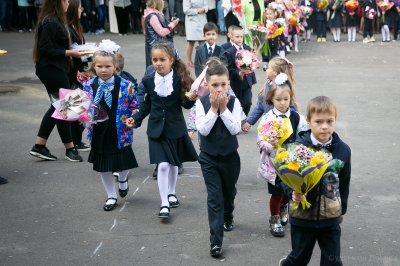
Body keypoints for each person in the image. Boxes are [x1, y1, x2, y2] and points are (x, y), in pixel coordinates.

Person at [126, 42, 198, 218]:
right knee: (163, 165)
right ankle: (164, 202)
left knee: (174, 164)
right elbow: (147, 105)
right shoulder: (148, 81)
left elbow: (185, 104)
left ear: (171, 60)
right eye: (154, 60)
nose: (158, 63)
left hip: (175, 127)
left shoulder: (179, 79)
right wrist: (135, 118)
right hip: (156, 130)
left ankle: (172, 192)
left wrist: (192, 98)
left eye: (162, 60)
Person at [278, 96, 351, 266]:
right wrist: (292, 193)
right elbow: (283, 179)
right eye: (318, 121)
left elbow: (345, 182)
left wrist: (342, 210)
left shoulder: (343, 150)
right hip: (303, 216)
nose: (324, 126)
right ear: (308, 122)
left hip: (330, 215)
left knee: (333, 262)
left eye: (329, 121)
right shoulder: (297, 148)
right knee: (299, 259)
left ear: (335, 120)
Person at [82, 42, 140, 211]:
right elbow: (83, 107)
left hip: (120, 131)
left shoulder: (125, 85)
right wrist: (79, 115)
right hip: (98, 131)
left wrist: (133, 119)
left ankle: (123, 180)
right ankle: (111, 196)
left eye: (108, 66)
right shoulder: (88, 85)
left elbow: (135, 106)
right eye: (99, 66)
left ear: (115, 66)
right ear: (94, 66)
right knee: (104, 166)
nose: (103, 70)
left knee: (123, 163)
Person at [195, 64, 242, 257]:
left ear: (229, 84)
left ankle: (228, 214)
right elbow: (203, 130)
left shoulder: (234, 102)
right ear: (207, 85)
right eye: (215, 85)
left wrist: (223, 109)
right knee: (214, 198)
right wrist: (214, 109)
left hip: (230, 157)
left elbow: (235, 129)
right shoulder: (201, 103)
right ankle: (216, 241)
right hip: (209, 158)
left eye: (223, 84)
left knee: (228, 194)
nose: (219, 89)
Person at [30, 0, 84, 162]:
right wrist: (70, 53)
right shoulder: (50, 21)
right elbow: (45, 50)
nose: (68, 3)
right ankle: (70, 148)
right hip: (50, 69)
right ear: (59, 2)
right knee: (62, 106)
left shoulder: (55, 19)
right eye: (66, 0)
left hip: (56, 68)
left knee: (59, 106)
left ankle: (40, 145)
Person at [256, 73, 307, 237]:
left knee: (289, 191)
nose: (283, 103)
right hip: (274, 163)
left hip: (291, 164)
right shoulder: (268, 118)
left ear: (290, 98)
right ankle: (274, 219)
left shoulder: (296, 117)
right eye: (279, 100)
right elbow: (260, 139)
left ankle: (285, 209)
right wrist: (269, 145)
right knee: (277, 193)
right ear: (271, 100)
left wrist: (300, 147)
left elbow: (304, 134)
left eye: (286, 99)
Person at [188, 57, 246, 141]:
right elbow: (193, 109)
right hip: (207, 141)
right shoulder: (200, 86)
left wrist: (243, 120)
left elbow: (236, 104)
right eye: (215, 85)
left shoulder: (227, 91)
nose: (219, 89)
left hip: (226, 137)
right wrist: (191, 128)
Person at [242, 57, 296, 132]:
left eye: (268, 68)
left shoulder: (284, 88)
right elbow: (260, 106)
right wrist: (250, 122)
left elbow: (292, 107)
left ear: (275, 72)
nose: (266, 70)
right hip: (268, 125)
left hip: (282, 126)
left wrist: (291, 122)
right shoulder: (267, 85)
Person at [66, 0, 91, 152]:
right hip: (71, 72)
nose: (81, 9)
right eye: (80, 7)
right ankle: (74, 141)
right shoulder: (68, 28)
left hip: (79, 71)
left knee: (78, 105)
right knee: (75, 107)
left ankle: (74, 139)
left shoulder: (76, 26)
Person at [226, 26, 257, 116]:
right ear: (231, 37)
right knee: (236, 102)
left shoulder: (247, 48)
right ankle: (237, 118)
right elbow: (229, 68)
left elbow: (251, 64)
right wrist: (238, 73)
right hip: (236, 83)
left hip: (247, 81)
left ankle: (243, 117)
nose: (240, 39)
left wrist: (253, 79)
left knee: (247, 102)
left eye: (241, 37)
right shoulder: (229, 51)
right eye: (237, 37)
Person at [143, 0, 178, 68]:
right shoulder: (153, 16)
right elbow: (161, 32)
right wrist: (172, 24)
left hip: (158, 46)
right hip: (156, 47)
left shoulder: (156, 14)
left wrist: (170, 23)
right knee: (157, 69)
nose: (163, 2)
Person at [261, 7, 291, 72]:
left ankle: (271, 71)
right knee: (266, 58)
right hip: (266, 46)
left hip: (274, 46)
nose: (269, 15)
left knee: (273, 60)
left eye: (270, 14)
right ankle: (266, 66)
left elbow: (282, 36)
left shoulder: (277, 24)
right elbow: (261, 36)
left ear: (274, 14)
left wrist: (288, 43)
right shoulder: (264, 24)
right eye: (267, 14)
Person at [183, 0, 208, 67]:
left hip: (202, 20)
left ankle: (202, 60)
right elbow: (186, 10)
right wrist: (197, 11)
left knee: (202, 40)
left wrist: (203, 9)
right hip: (192, 21)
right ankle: (189, 61)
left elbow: (206, 6)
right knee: (191, 41)